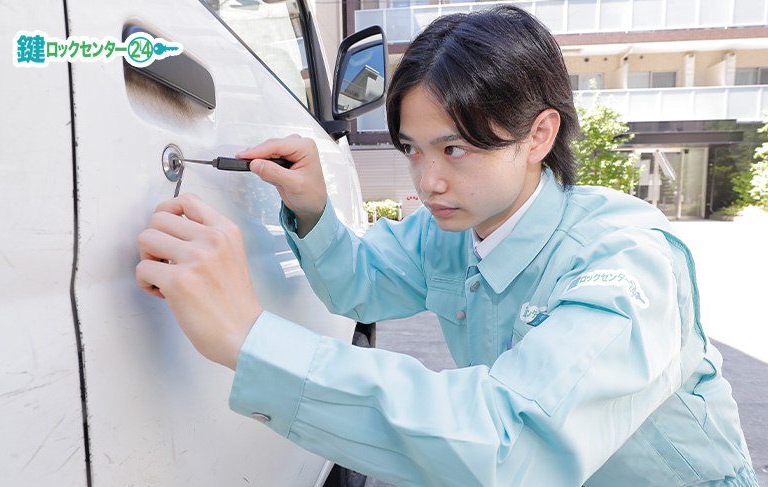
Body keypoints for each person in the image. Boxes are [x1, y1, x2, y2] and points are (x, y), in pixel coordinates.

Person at [136, 5, 758, 486]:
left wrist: (250, 339)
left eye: (454, 148)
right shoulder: (452, 229)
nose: (427, 181)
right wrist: (312, 207)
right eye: (412, 149)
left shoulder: (626, 260)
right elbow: (360, 283)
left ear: (539, 134)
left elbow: (513, 443)